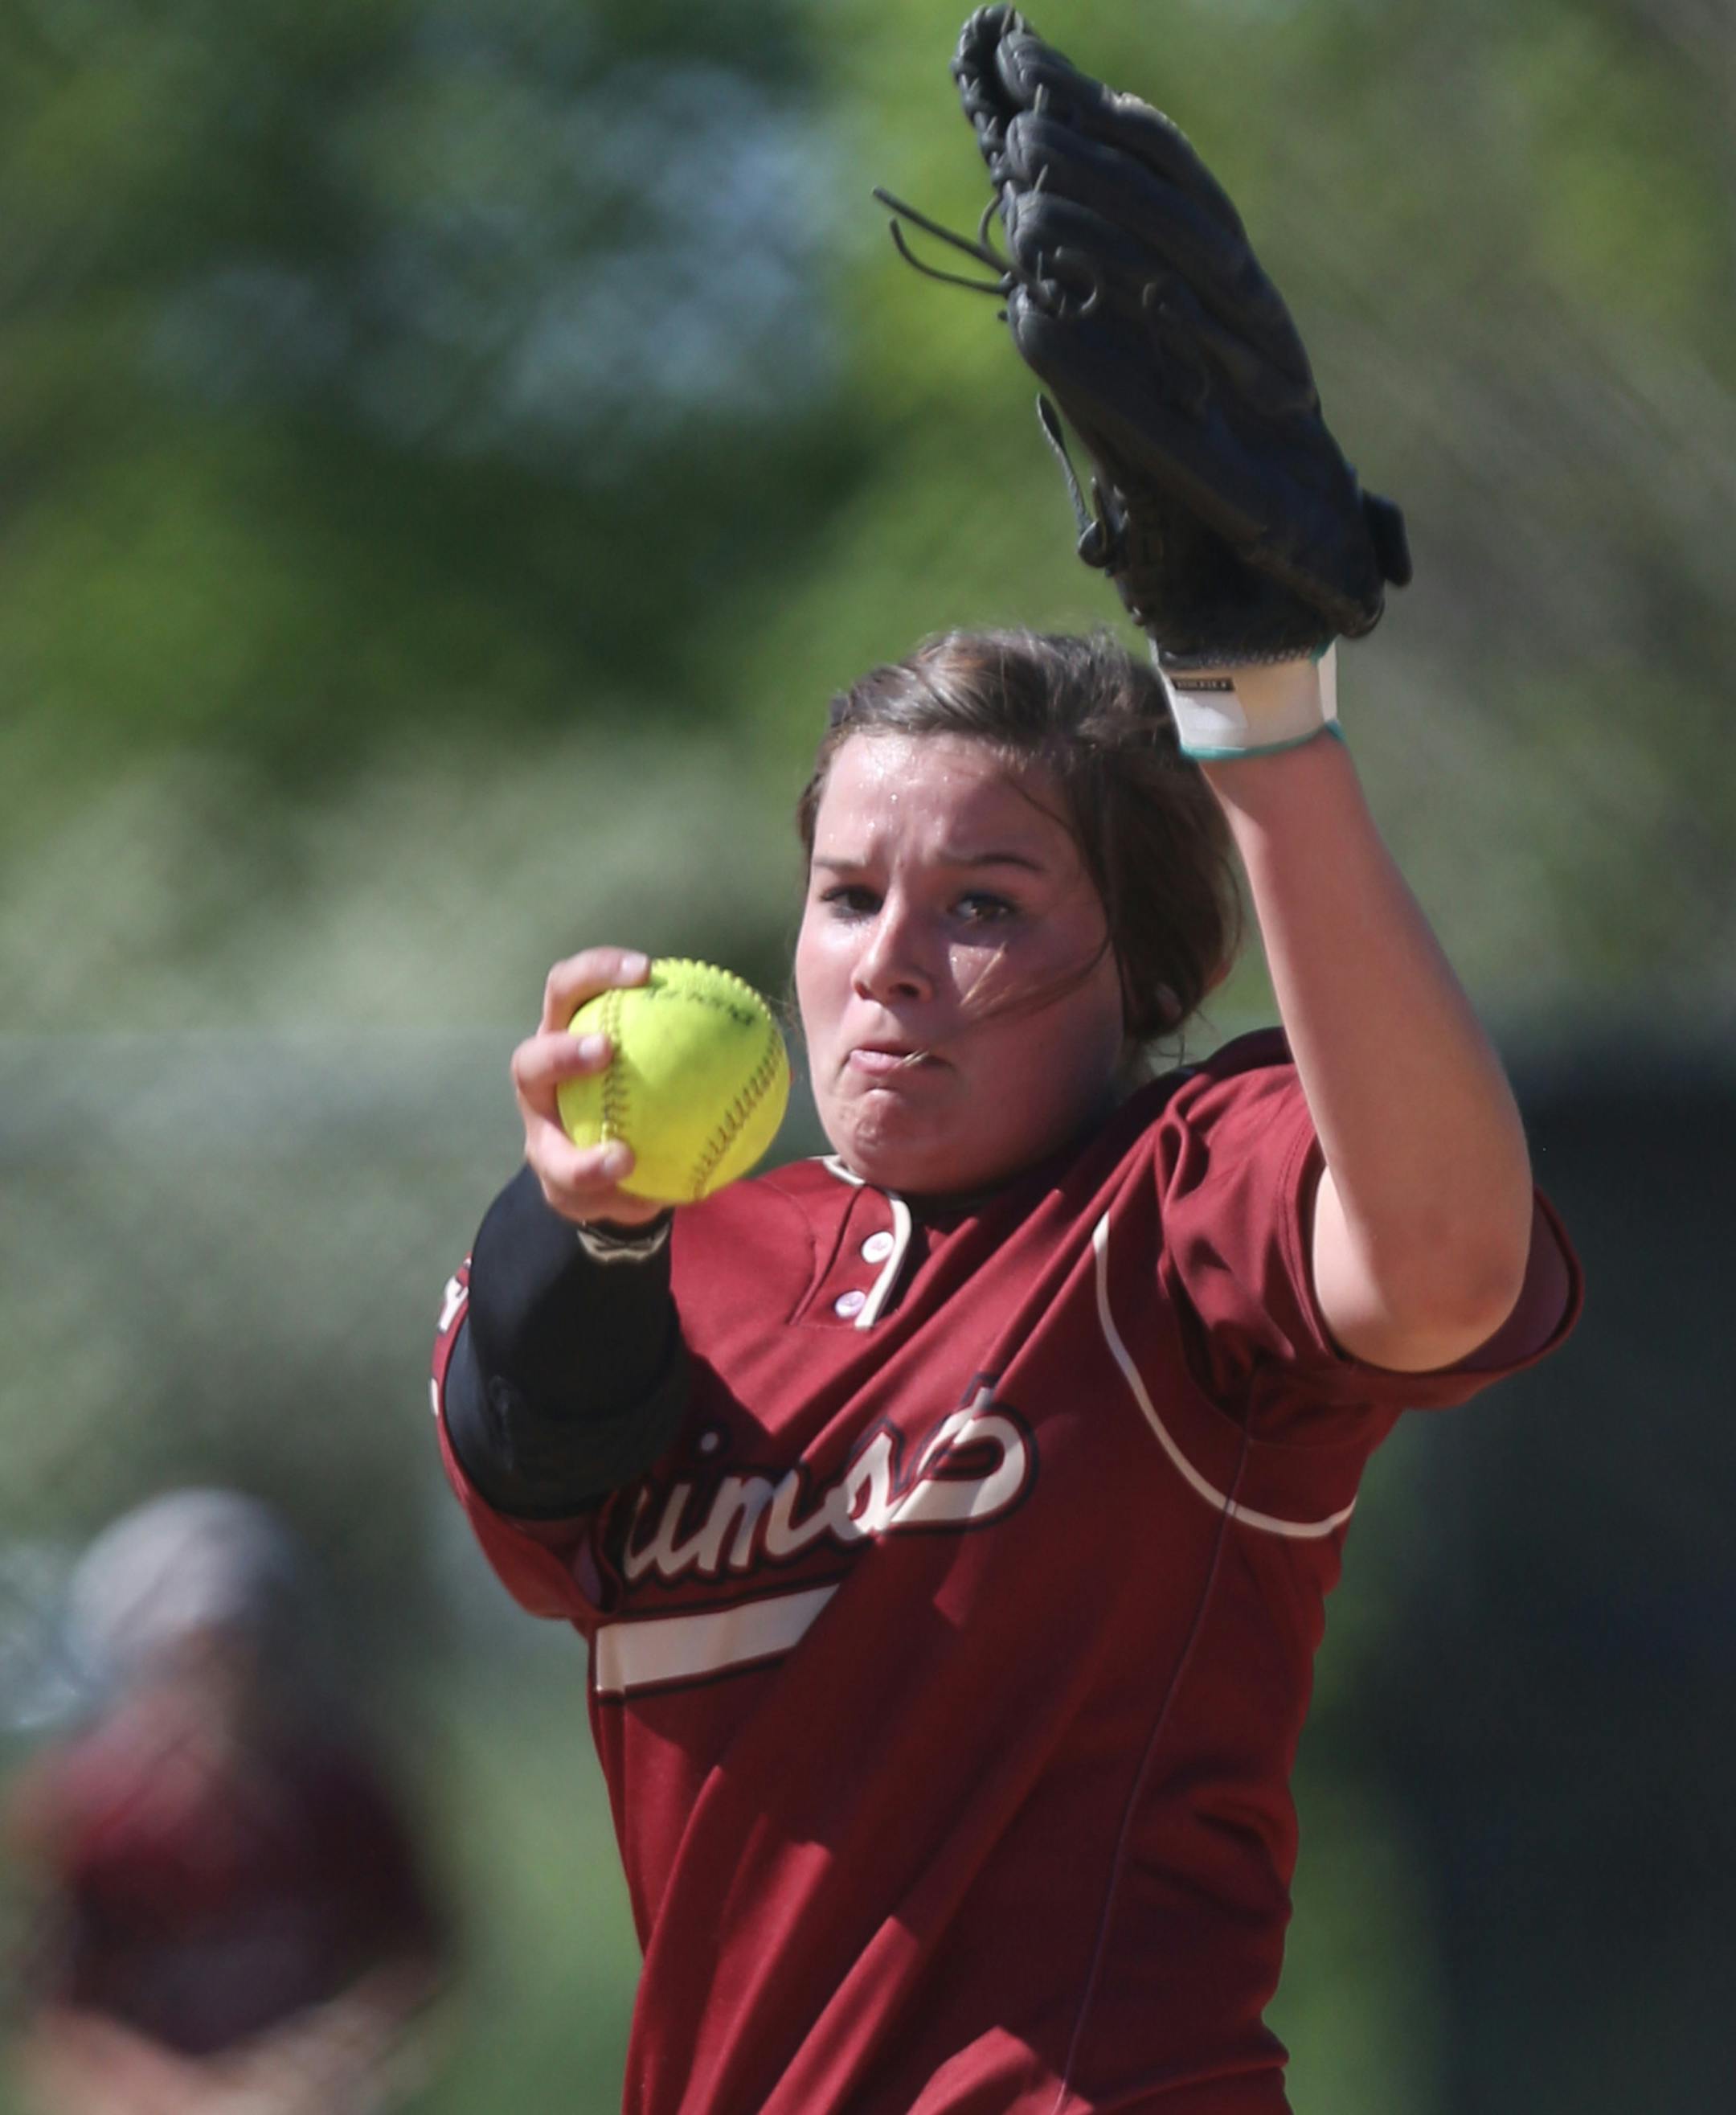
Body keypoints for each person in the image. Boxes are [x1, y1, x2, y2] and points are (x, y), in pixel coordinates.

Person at [431, 626, 1581, 2114]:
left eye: (984, 903)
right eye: (848, 896)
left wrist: (1273, 737)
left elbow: (1440, 1265)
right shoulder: (683, 1268)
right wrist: (576, 1232)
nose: (889, 963)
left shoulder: (1180, 1200)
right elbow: (528, 1470)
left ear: (1153, 963)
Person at [6, 1490, 451, 2115]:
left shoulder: (340, 1796)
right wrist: (178, 2097)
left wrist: (325, 2057)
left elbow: (416, 1959)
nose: (221, 1690)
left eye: (242, 1655)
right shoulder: (85, 1818)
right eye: (187, 1663)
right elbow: (53, 2016)